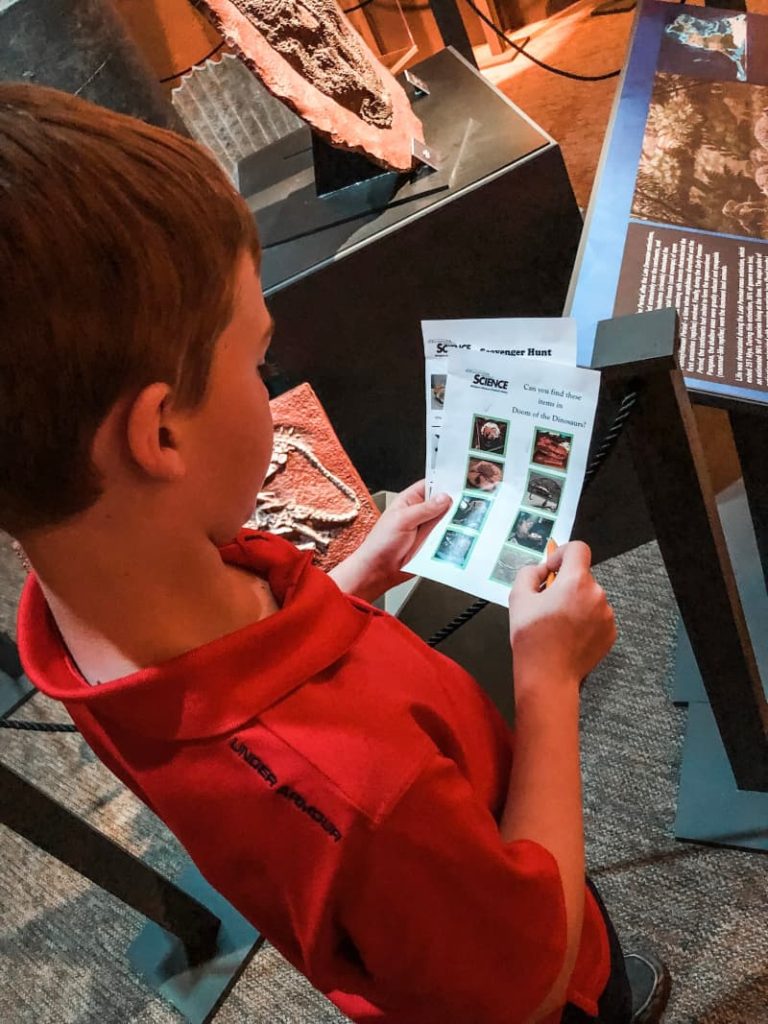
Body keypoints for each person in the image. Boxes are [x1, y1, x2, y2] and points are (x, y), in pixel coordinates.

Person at [1, 83, 670, 1024]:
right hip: (518, 958)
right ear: (161, 436)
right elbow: (522, 986)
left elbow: (237, 690)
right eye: (257, 359)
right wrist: (547, 685)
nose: (268, 382)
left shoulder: (82, 611)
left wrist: (350, 582)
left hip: (425, 909)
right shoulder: (363, 791)